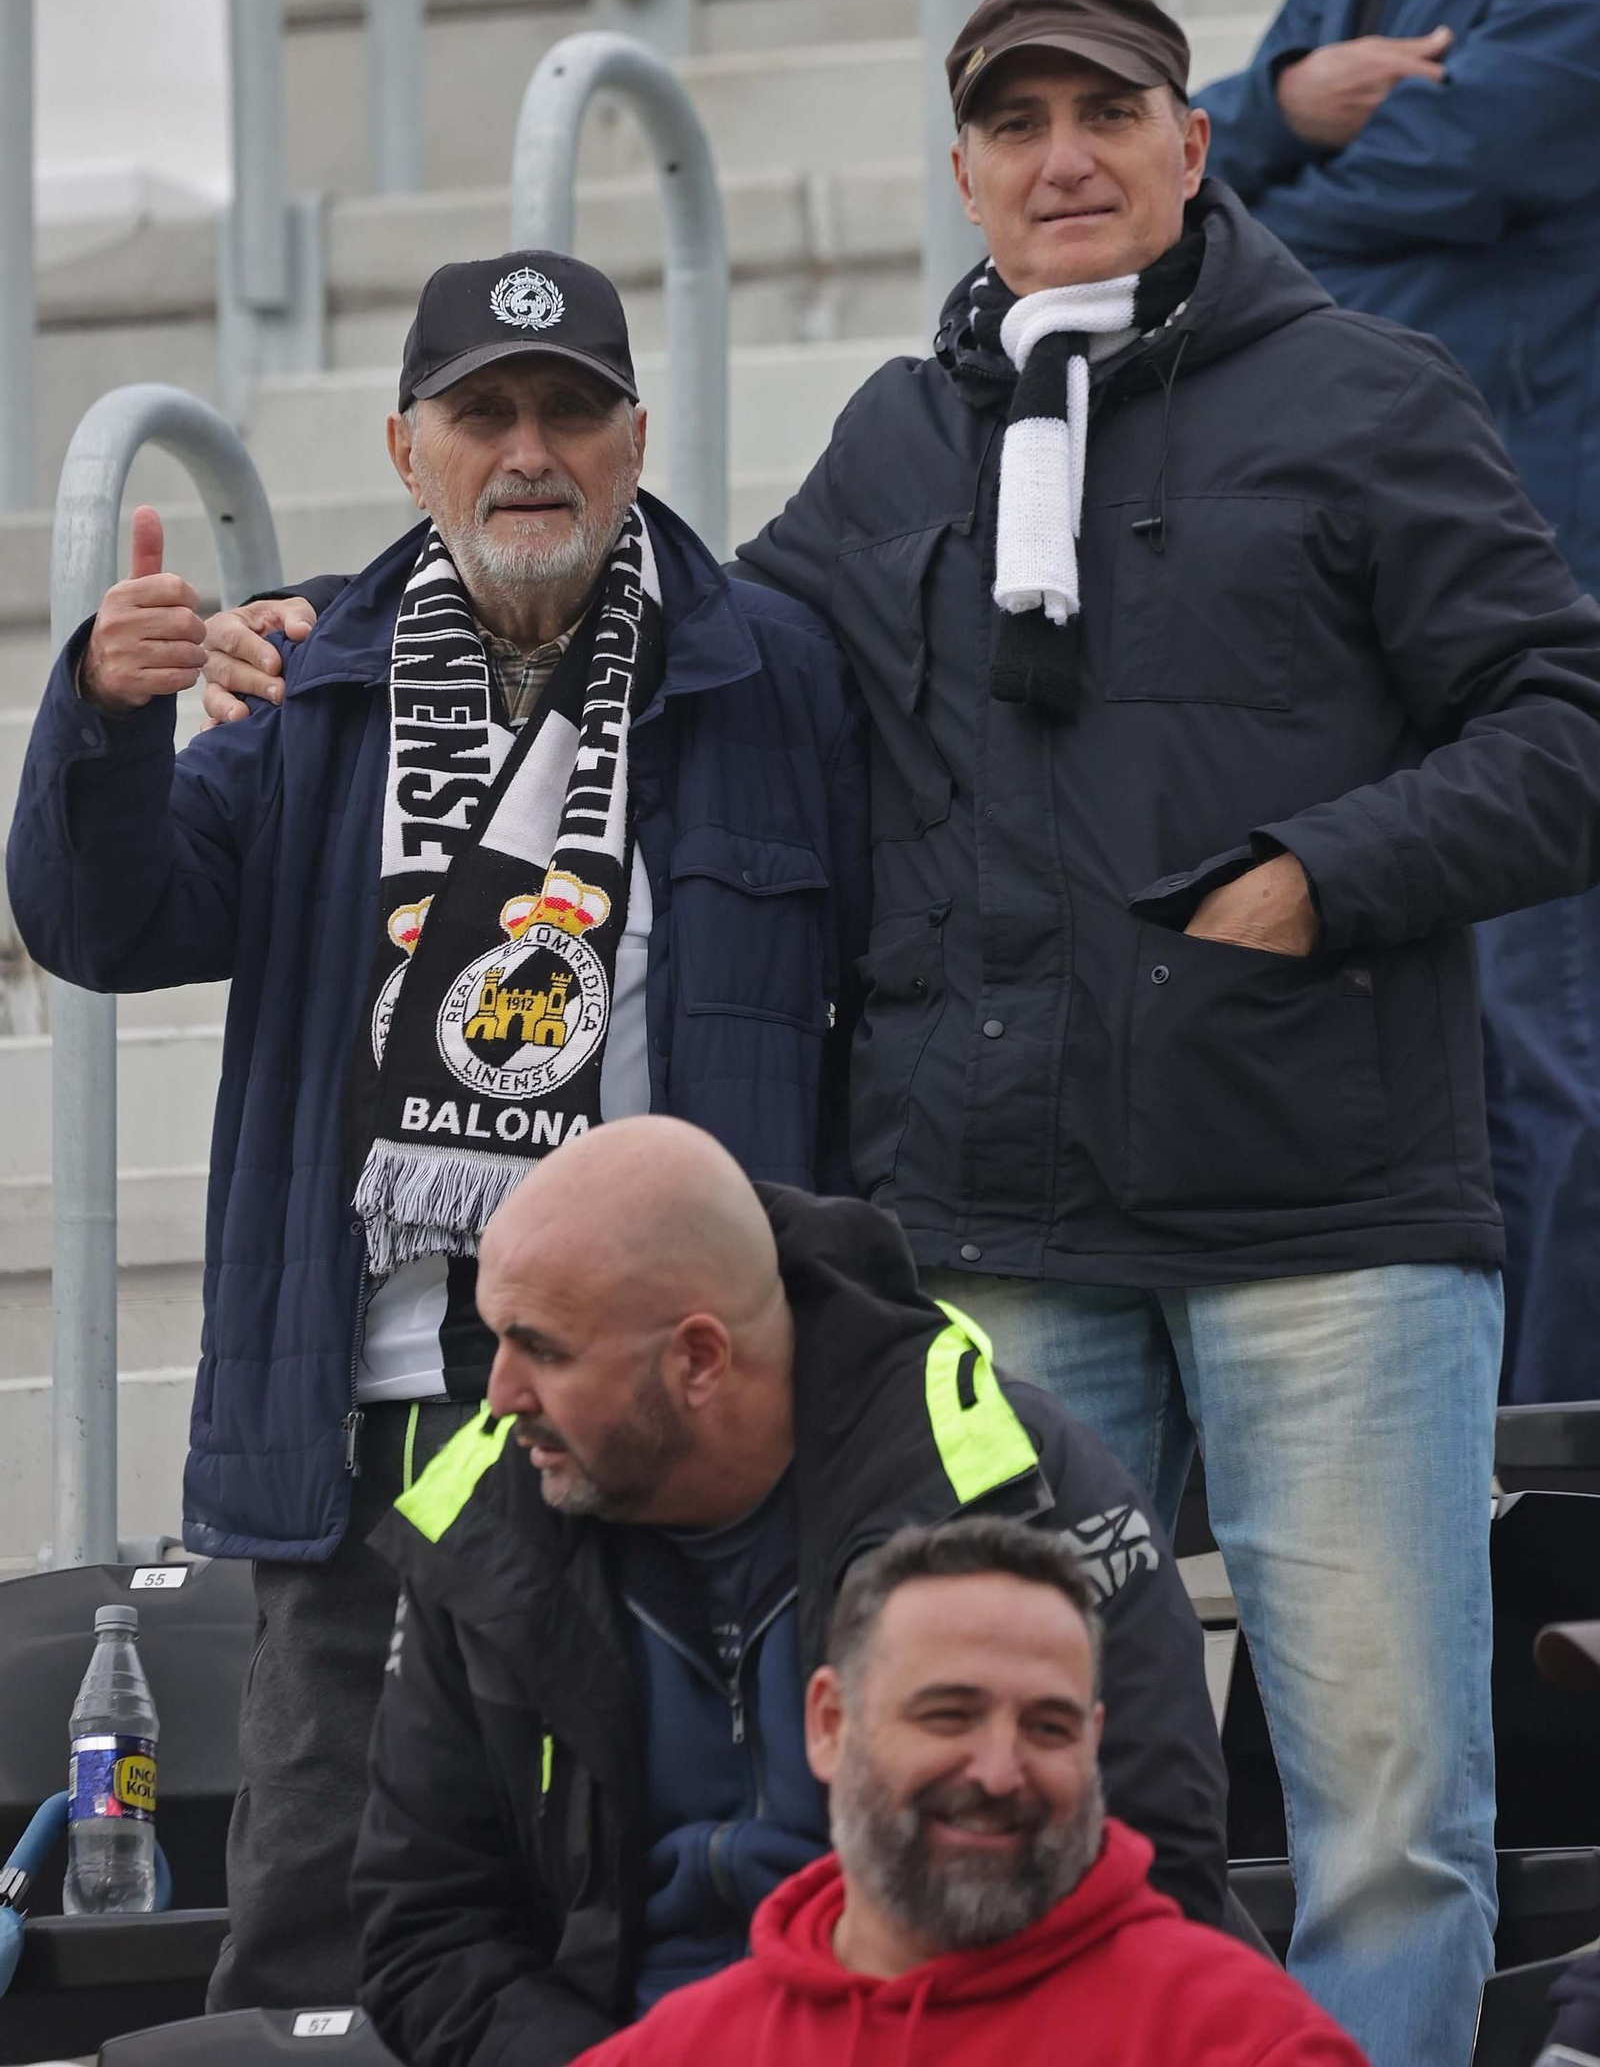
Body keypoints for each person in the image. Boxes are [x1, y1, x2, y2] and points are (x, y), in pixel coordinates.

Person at [727, 0, 1600, 2067]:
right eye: (1011, 125)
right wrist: (372, 637)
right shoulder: (887, 437)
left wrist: (1317, 878)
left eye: (1102, 113)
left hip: (1336, 1223)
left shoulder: (1367, 394)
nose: (1059, 158)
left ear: (1190, 142)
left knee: (1387, 1812)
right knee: (1029, 1788)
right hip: (1004, 1228)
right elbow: (717, 681)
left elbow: (1560, 725)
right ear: (959, 174)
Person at [5, 251, 870, 2011]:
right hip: (386, 1408)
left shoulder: (774, 667)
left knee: (665, 1904)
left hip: (669, 1397)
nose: (528, 451)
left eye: (569, 411)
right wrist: (105, 718)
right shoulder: (307, 674)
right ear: (409, 448)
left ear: (639, 436)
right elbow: (105, 924)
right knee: (324, 1912)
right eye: (485, 414)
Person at [350, 1116, 1231, 2067]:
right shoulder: (479, 1516)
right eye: (496, 1338)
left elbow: (1157, 1877)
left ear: (699, 1358)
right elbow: (426, 1929)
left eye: (545, 1349)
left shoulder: (1011, 1484)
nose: (499, 1395)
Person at [1197, 0, 1600, 1406]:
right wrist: (1294, 91)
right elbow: (1195, 193)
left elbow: (1488, 141)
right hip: (1333, 596)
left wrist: (1293, 170)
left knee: (1543, 1051)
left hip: (1531, 593)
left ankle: (1550, 1477)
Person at [568, 1517, 1369, 2067]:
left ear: (1095, 1742)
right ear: (828, 1723)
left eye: (1048, 1727)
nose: (996, 1769)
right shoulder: (679, 2051)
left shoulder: (1242, 2041)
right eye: (948, 1714)